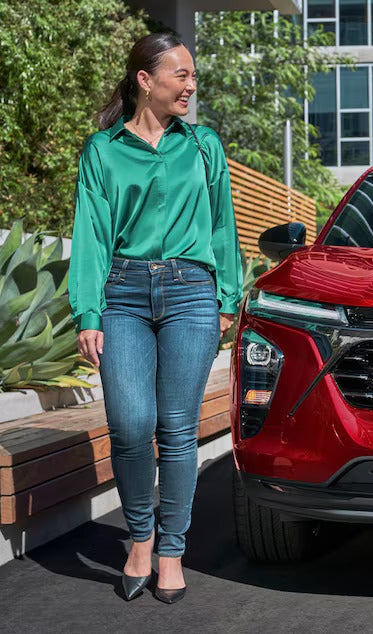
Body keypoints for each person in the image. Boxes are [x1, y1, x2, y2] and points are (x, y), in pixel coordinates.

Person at [70, 32, 243, 604]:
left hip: (192, 294)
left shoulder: (204, 146)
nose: (191, 85)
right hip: (122, 292)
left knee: (175, 427)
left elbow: (223, 225)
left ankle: (170, 549)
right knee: (129, 423)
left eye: (193, 76)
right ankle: (137, 537)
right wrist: (88, 311)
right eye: (182, 75)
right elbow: (91, 234)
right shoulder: (103, 149)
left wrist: (227, 298)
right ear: (146, 80)